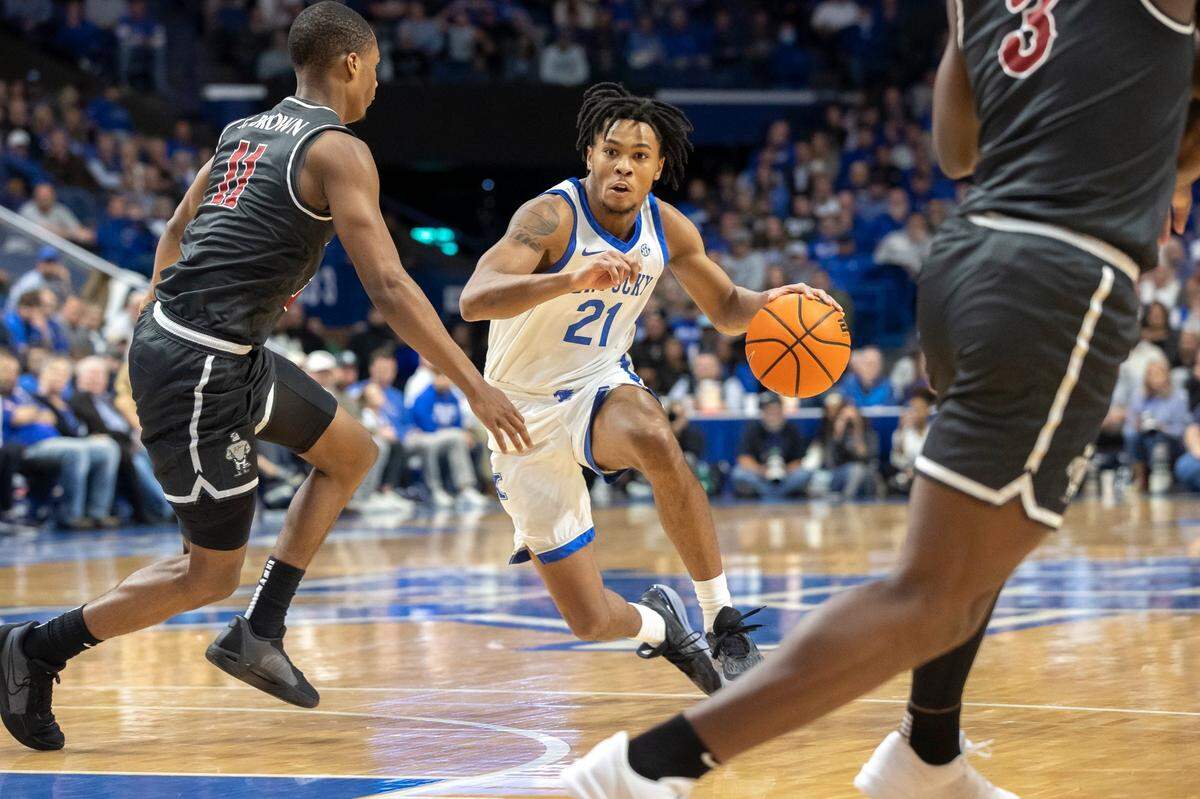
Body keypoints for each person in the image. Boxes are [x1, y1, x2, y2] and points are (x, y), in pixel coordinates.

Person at [563, 0, 1195, 795]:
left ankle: (928, 749)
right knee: (929, 592)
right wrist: (1169, 160)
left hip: (965, 261)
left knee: (984, 544)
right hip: (1061, 274)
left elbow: (957, 148)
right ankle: (648, 767)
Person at [0, 2, 529, 752]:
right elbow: (389, 287)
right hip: (197, 366)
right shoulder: (340, 150)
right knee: (208, 572)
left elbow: (180, 225)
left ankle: (261, 629)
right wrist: (473, 385)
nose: (377, 84)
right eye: (376, 68)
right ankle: (36, 647)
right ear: (350, 63)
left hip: (219, 350)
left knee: (352, 453)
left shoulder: (243, 132)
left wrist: (167, 306)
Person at [461, 82, 840, 693]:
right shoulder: (549, 217)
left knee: (655, 437)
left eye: (640, 156)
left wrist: (777, 302)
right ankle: (659, 626)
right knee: (588, 619)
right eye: (612, 152)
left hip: (596, 384)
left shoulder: (668, 228)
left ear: (658, 169)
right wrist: (568, 279)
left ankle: (721, 617)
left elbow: (725, 307)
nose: (624, 166)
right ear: (590, 156)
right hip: (519, 411)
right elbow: (474, 299)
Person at [0, 351, 120, 531]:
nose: (11, 375)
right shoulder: (25, 388)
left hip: (55, 441)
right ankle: (72, 515)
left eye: (13, 370)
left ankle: (97, 513)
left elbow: (48, 417)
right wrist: (33, 414)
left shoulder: (20, 393)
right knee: (76, 451)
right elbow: (18, 416)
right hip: (27, 447)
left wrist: (34, 414)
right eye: (6, 370)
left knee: (108, 448)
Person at [69, 356, 171, 524]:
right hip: (111, 445)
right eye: (91, 374)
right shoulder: (79, 399)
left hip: (126, 443)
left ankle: (172, 503)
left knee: (152, 453)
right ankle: (165, 508)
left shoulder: (108, 400)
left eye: (101, 375)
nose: (96, 379)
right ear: (79, 377)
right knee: (137, 462)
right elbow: (97, 427)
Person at [730, 394, 810, 499]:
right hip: (760, 475)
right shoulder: (752, 429)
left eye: (776, 411)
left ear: (782, 411)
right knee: (739, 473)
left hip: (785, 476)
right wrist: (762, 471)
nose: (773, 416)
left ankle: (771, 494)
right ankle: (774, 494)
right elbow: (743, 458)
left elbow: (799, 460)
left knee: (804, 474)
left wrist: (784, 470)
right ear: (763, 413)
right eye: (770, 412)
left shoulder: (792, 429)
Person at [890, 389, 933, 494]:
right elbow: (895, 460)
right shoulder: (902, 432)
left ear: (927, 410)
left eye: (919, 409)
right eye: (913, 409)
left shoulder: (933, 431)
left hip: (929, 475)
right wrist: (901, 433)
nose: (916, 412)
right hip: (908, 475)